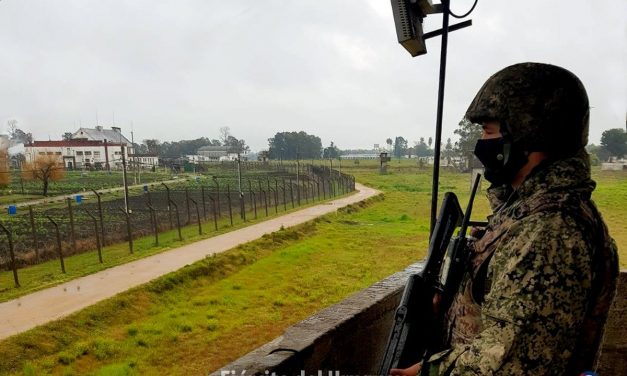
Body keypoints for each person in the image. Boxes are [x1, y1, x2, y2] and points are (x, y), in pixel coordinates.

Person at [391, 62, 619, 375]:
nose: (481, 142)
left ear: (528, 136)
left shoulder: (549, 232)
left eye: (488, 131)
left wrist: (428, 372)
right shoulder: (526, 214)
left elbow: (511, 361)